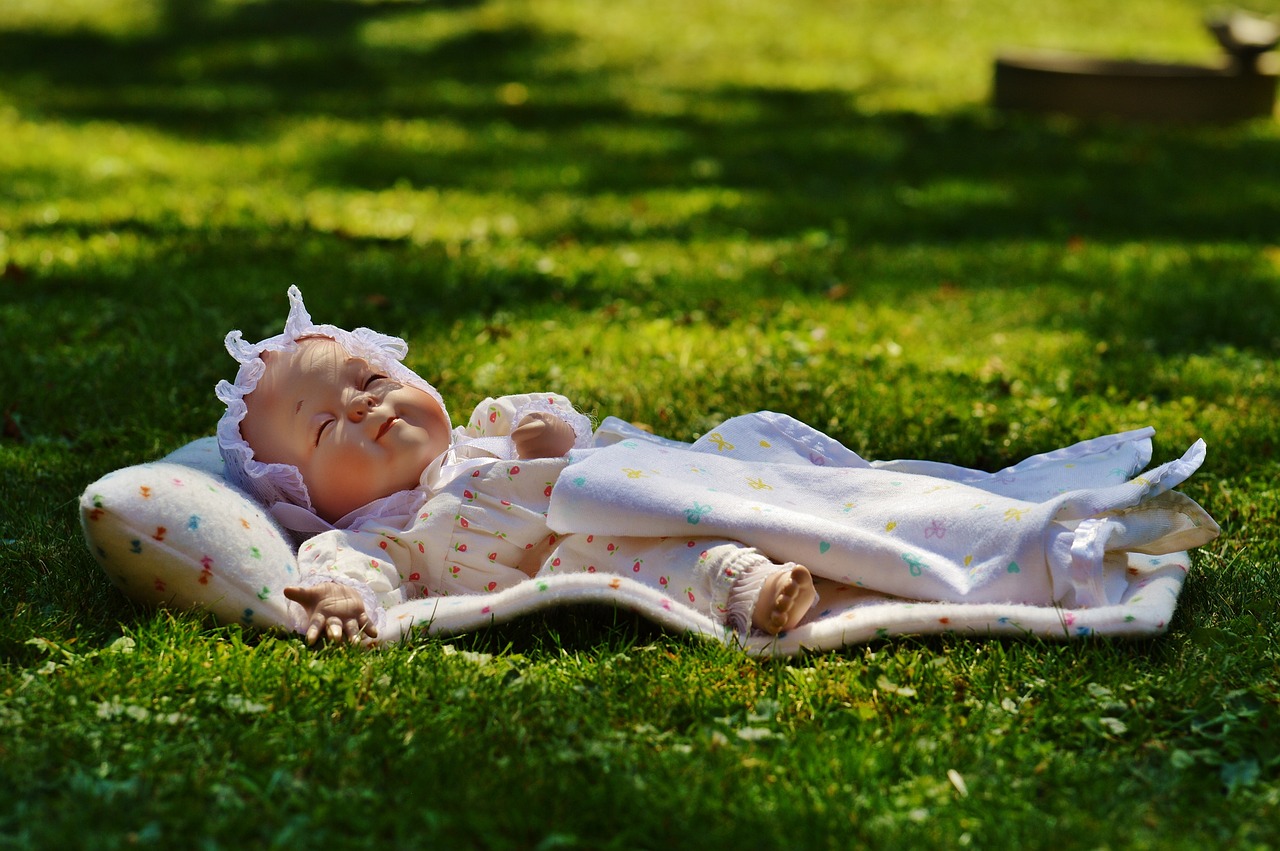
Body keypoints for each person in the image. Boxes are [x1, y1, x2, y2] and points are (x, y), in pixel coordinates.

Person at [216, 287, 1219, 646]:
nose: (363, 404)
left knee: (765, 478)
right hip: (594, 551)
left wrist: (549, 442)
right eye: (324, 425)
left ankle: (960, 517)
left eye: (364, 375)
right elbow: (362, 576)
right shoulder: (378, 529)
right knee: (658, 564)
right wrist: (329, 593)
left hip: (644, 491)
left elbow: (588, 444)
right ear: (302, 499)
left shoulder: (488, 425)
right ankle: (751, 586)